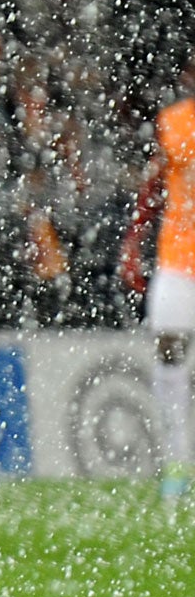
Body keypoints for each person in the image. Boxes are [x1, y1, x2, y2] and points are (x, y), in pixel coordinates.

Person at [123, 72, 195, 501]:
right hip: (178, 262)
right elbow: (150, 188)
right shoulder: (174, 122)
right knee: (168, 349)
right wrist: (133, 241)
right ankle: (176, 461)